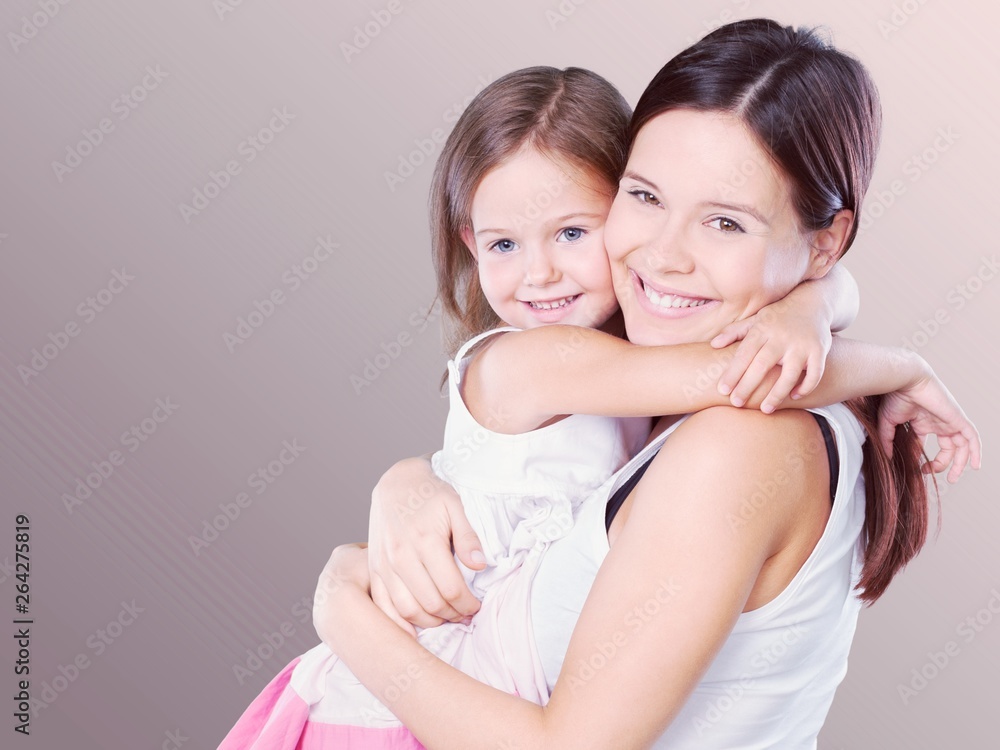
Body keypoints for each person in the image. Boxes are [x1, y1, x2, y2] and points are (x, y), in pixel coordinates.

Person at [311, 19, 981, 750]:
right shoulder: (676, 395)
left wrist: (345, 612)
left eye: (725, 223)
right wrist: (407, 482)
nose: (663, 256)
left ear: (824, 241)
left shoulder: (743, 440)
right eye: (646, 196)